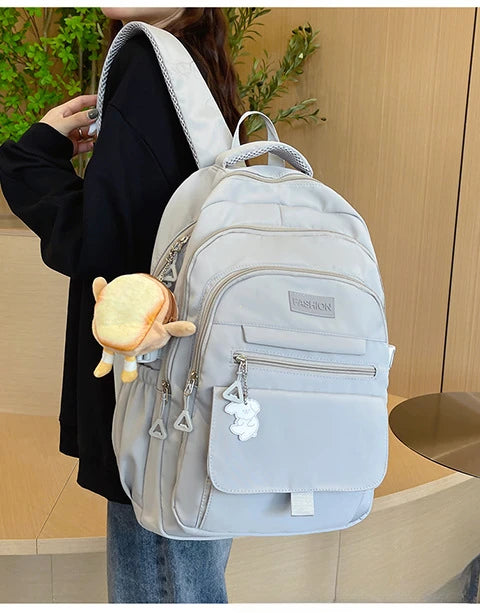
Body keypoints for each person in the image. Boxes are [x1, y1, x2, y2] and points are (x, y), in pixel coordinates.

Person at [0, 7, 247, 604]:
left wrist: (31, 159)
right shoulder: (200, 69)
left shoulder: (146, 63)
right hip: (200, 387)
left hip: (153, 393)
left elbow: (108, 255)